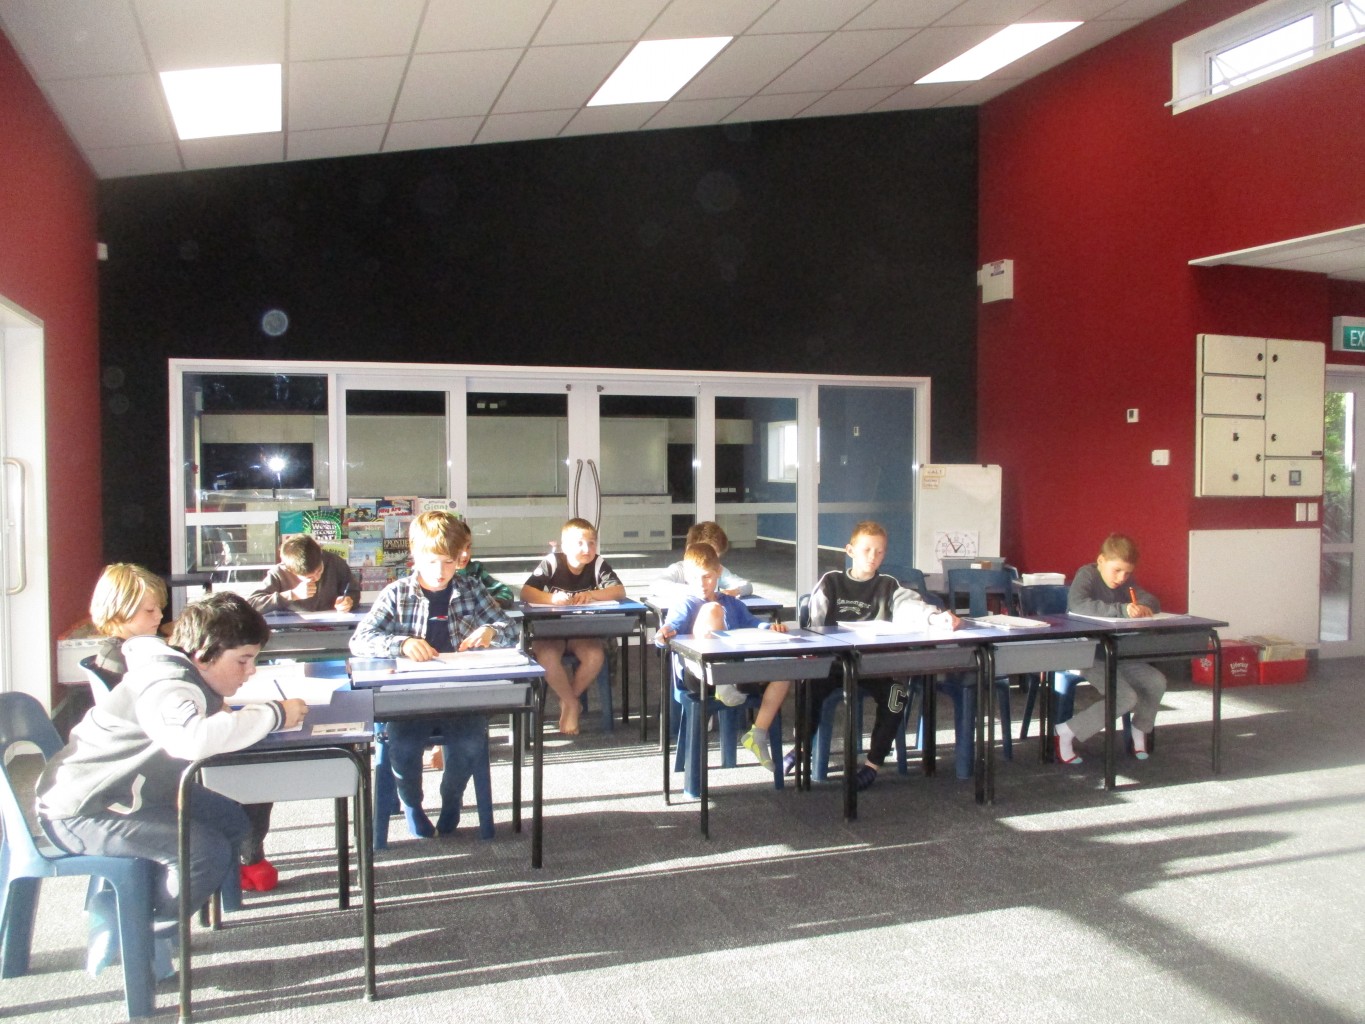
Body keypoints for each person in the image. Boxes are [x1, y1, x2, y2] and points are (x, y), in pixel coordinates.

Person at [36, 593, 306, 976]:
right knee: (205, 853)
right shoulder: (169, 685)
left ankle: (151, 908)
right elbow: (190, 741)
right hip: (83, 810)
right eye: (243, 660)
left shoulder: (184, 675)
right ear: (203, 656)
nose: (250, 671)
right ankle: (137, 927)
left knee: (233, 821)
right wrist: (273, 715)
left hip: (136, 793)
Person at [350, 510, 513, 839]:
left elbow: (509, 629)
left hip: (460, 697)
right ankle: (412, 803)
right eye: (432, 562)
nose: (440, 572)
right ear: (415, 553)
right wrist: (401, 643)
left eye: (449, 563)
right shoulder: (397, 593)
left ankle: (451, 798)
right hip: (411, 700)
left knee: (469, 742)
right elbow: (360, 640)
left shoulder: (471, 589)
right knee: (403, 748)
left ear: (460, 558)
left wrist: (491, 632)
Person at [789, 521, 961, 789]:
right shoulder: (831, 582)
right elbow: (816, 626)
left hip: (873, 666)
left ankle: (872, 764)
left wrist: (935, 617)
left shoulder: (888, 585)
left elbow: (910, 607)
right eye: (867, 550)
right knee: (808, 688)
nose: (873, 557)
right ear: (850, 550)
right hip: (834, 666)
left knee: (897, 695)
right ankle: (801, 748)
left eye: (879, 552)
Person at [655, 542, 790, 770]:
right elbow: (669, 630)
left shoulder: (733, 603)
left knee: (784, 671)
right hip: (699, 676)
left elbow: (753, 623)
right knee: (712, 609)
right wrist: (663, 635)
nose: (702, 584)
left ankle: (757, 734)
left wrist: (770, 628)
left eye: (707, 577)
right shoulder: (685, 603)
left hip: (736, 671)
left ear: (718, 573)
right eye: (695, 577)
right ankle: (722, 682)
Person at [1054, 533, 1166, 765]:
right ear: (1101, 560)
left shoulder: (1126, 582)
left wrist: (1143, 606)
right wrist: (1123, 610)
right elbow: (1078, 605)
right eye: (1117, 570)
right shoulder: (1087, 575)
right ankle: (1066, 731)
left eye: (1127, 573)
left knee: (1156, 681)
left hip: (1116, 653)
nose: (1121, 578)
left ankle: (1139, 729)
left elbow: (1151, 599)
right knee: (1125, 697)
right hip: (1086, 654)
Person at [520, 517, 627, 736]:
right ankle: (572, 703)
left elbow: (619, 591)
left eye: (591, 543)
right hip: (551, 631)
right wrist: (551, 599)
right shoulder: (552, 562)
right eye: (580, 543)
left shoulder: (598, 563)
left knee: (595, 656)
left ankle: (568, 700)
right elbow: (526, 592)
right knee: (547, 656)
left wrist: (591, 594)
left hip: (581, 630)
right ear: (565, 546)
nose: (587, 549)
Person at [88, 562, 169, 680]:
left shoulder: (128, 651)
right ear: (119, 611)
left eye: (160, 608)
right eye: (150, 610)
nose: (160, 615)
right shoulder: (121, 662)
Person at [248, 533, 356, 614]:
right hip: (291, 629)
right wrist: (292, 595)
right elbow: (252, 604)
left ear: (320, 552)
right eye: (309, 577)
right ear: (290, 570)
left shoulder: (335, 562)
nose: (317, 577)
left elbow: (353, 591)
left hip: (333, 627)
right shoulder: (279, 572)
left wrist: (348, 601)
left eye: (319, 570)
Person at [648, 521, 752, 603]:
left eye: (715, 557)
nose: (711, 560)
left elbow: (747, 585)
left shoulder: (715, 569)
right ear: (689, 549)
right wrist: (696, 590)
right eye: (707, 554)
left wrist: (735, 591)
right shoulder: (679, 569)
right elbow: (656, 586)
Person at [457, 538, 515, 608]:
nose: (465, 554)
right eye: (458, 548)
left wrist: (495, 602)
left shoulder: (475, 569)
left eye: (468, 547)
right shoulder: (446, 578)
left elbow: (505, 591)